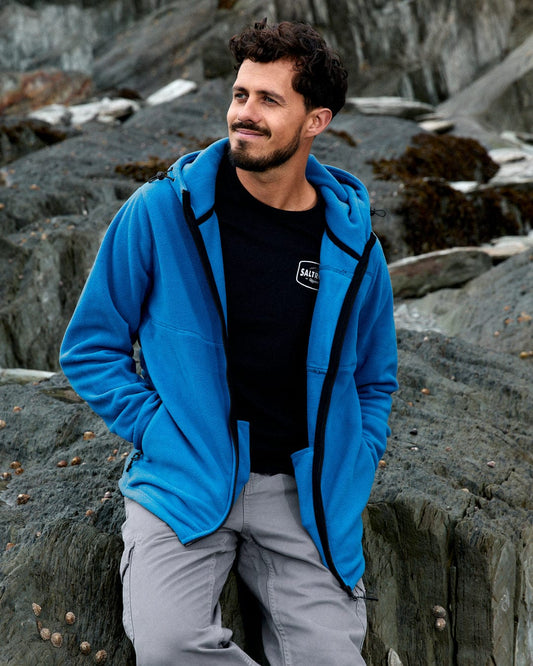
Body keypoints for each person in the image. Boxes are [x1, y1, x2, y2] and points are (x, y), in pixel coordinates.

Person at [60, 18, 398, 666]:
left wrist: (359, 451)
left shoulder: (354, 247)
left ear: (314, 121)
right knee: (169, 645)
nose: (244, 114)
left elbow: (375, 376)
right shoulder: (162, 211)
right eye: (240, 95)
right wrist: (160, 430)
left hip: (303, 495)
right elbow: (90, 346)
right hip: (184, 475)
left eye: (268, 100)